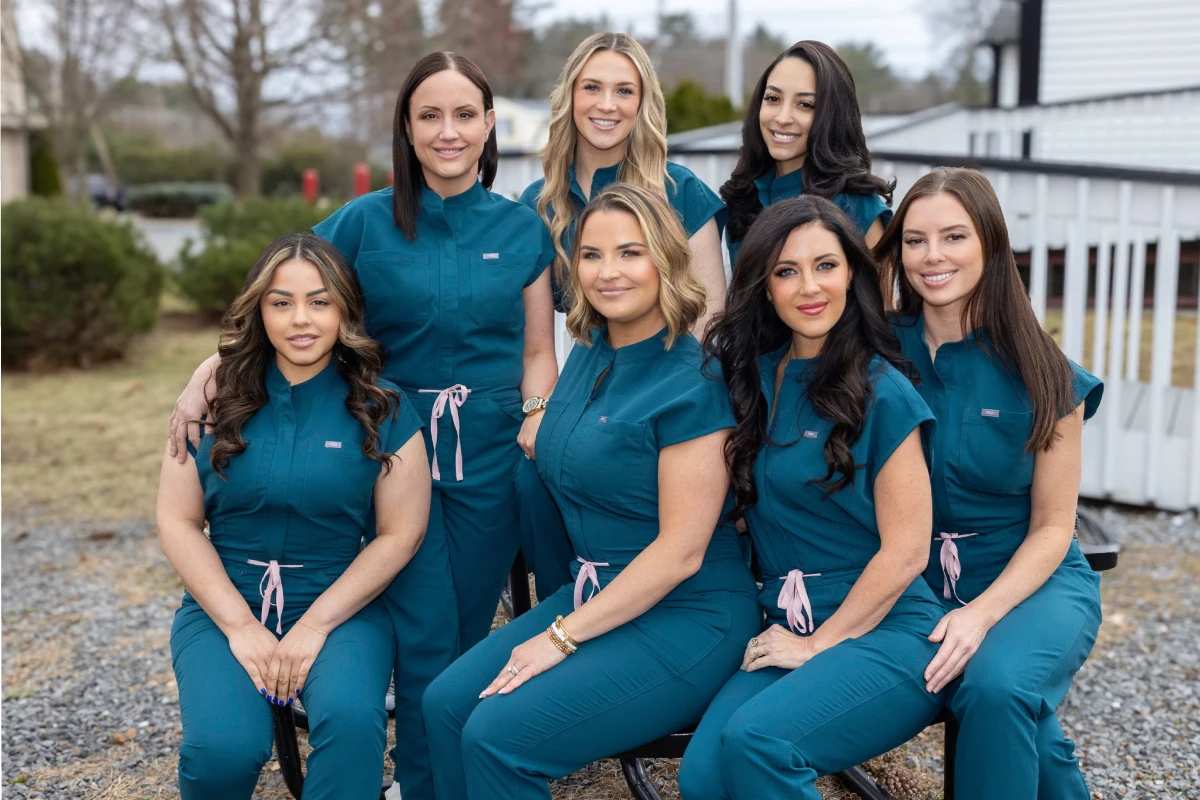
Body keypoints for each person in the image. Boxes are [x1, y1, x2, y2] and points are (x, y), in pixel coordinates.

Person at [166, 52, 557, 800]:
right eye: (429, 116)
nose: (449, 132)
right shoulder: (365, 220)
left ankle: (429, 783)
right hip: (380, 451)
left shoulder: (521, 229)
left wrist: (536, 415)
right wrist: (207, 370)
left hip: (485, 456)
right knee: (406, 630)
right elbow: (284, 290)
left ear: (489, 124)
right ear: (406, 131)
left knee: (457, 641)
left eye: (465, 114)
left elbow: (539, 350)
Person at [422, 184, 759, 800]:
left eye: (630, 253)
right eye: (591, 255)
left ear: (665, 261)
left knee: (497, 736)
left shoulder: (693, 384)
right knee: (444, 705)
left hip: (689, 615)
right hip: (597, 594)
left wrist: (559, 638)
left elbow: (680, 553)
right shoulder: (590, 354)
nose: (608, 273)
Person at [676, 196, 944, 799]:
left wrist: (820, 644)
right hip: (786, 620)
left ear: (852, 272)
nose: (809, 287)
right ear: (764, 286)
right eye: (786, 271)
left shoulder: (886, 393)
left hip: (887, 630)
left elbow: (906, 553)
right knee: (702, 778)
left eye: (825, 265)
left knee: (761, 745)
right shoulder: (749, 379)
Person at [157, 233, 430, 799]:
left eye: (320, 301)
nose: (300, 319)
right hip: (223, 605)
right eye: (281, 302)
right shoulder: (208, 400)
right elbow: (178, 522)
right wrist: (239, 626)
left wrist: (314, 626)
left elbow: (400, 534)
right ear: (259, 310)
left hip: (340, 605)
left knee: (354, 727)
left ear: (345, 311)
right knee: (222, 751)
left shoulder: (385, 406)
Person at [874, 168, 1103, 799]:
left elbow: (1055, 527)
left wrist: (980, 614)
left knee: (997, 686)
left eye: (954, 236)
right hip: (912, 582)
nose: (933, 256)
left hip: (1031, 582)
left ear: (990, 246)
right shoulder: (874, 352)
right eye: (914, 241)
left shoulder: (1045, 373)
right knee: (1028, 727)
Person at [516, 30, 728, 603]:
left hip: (660, 387)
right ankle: (564, 604)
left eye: (623, 91)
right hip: (576, 382)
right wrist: (541, 410)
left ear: (643, 104)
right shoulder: (539, 202)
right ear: (570, 97)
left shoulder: (681, 191)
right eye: (592, 88)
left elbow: (709, 323)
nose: (606, 105)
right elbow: (534, 335)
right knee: (528, 479)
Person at [723, 40, 894, 268]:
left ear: (832, 116)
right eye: (773, 99)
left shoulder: (859, 206)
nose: (783, 117)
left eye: (804, 104)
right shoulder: (744, 199)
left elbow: (879, 302)